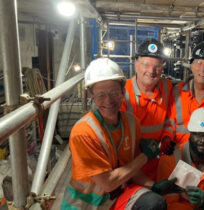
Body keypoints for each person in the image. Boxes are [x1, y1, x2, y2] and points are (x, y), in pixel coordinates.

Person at [61, 58, 178, 210]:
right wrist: (145, 156)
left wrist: (154, 186)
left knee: (154, 204)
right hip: (85, 204)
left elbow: (129, 169)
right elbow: (108, 183)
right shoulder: (84, 132)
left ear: (123, 91)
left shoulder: (131, 123)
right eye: (101, 95)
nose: (109, 101)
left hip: (116, 198)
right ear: (92, 96)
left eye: (114, 92)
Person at [157, 108, 204, 210]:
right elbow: (169, 205)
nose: (203, 140)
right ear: (190, 134)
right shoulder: (170, 160)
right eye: (198, 134)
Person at [121, 39, 175, 180]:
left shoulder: (166, 87)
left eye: (157, 66)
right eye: (146, 64)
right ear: (136, 65)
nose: (151, 71)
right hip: (129, 165)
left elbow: (170, 118)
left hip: (156, 160)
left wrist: (166, 137)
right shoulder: (123, 93)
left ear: (162, 68)